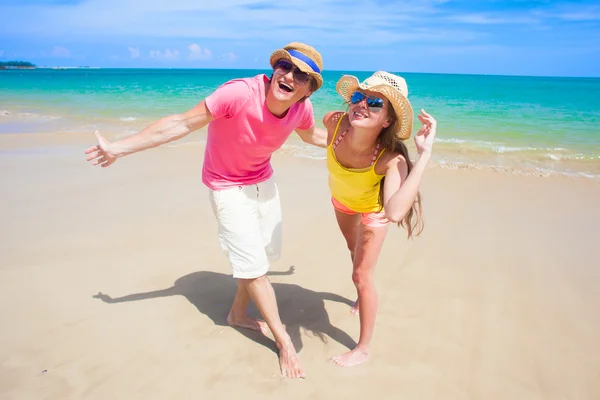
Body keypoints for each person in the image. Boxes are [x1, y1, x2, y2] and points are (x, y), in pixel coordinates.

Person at [84, 42, 327, 379]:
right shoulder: (239, 94)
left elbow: (312, 136)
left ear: (307, 90)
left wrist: (364, 142)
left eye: (302, 76)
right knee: (254, 268)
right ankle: (282, 340)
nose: (289, 76)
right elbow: (182, 124)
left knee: (261, 256)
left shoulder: (302, 109)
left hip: (263, 183)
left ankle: (237, 314)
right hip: (226, 186)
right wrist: (118, 149)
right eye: (286, 66)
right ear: (276, 68)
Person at [323, 71, 437, 367]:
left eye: (374, 102)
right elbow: (311, 135)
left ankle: (363, 348)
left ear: (387, 120)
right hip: (342, 201)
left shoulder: (391, 159)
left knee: (361, 275)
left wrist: (423, 155)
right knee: (352, 248)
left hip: (374, 211)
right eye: (358, 97)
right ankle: (361, 296)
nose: (361, 104)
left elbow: (395, 212)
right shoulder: (334, 123)